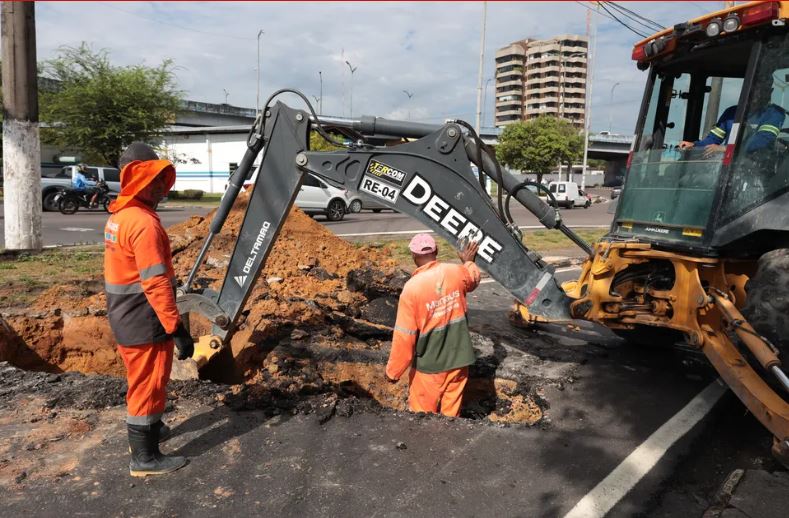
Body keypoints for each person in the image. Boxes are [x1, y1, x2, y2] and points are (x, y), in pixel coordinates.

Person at [103, 142, 194, 477]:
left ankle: (149, 431)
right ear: (141, 181)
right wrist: (177, 329)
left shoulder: (120, 216)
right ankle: (145, 458)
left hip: (124, 314)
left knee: (139, 380)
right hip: (144, 319)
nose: (162, 190)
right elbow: (155, 284)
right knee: (150, 384)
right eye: (156, 182)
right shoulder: (144, 225)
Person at [385, 233, 481, 417]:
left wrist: (393, 372)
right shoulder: (456, 272)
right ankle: (450, 443)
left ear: (413, 256)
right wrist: (468, 262)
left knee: (422, 418)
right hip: (459, 361)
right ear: (436, 251)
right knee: (451, 416)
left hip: (430, 367)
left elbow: (404, 336)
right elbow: (473, 278)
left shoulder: (412, 289)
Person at [679, 85, 785, 158]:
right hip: (727, 165)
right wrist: (694, 145)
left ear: (769, 91)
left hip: (755, 169)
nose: (756, 92)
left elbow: (762, 141)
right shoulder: (731, 112)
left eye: (761, 89)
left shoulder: (774, 113)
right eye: (754, 89)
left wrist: (726, 149)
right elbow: (713, 140)